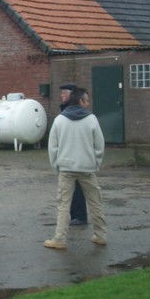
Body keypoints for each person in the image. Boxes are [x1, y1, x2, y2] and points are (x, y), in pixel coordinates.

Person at [45, 87, 107, 249]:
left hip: (66, 168)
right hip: (87, 168)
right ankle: (100, 235)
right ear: (80, 101)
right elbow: (99, 145)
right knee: (95, 202)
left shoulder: (60, 120)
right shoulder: (92, 119)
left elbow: (53, 147)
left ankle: (59, 239)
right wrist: (96, 163)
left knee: (63, 204)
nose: (88, 103)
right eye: (86, 100)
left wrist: (56, 166)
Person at [59, 83, 88, 226]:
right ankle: (73, 214)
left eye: (64, 93)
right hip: (67, 156)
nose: (62, 96)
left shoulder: (76, 113)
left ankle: (80, 216)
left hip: (75, 157)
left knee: (77, 189)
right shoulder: (64, 110)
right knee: (70, 190)